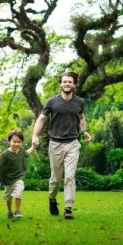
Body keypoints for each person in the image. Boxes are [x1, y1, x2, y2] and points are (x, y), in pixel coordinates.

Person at [31, 71, 92, 220]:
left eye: (70, 82)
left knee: (70, 176)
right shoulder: (52, 101)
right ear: (60, 84)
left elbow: (82, 117)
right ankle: (52, 198)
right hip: (56, 144)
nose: (67, 84)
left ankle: (68, 208)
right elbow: (41, 119)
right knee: (55, 178)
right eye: (64, 82)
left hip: (72, 143)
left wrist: (85, 132)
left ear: (74, 84)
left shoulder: (79, 102)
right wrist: (34, 135)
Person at [0, 129, 29, 219]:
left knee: (19, 192)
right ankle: (9, 211)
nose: (17, 144)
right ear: (9, 141)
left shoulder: (21, 150)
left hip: (19, 176)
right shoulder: (5, 154)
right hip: (7, 179)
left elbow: (27, 153)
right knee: (8, 197)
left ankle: (18, 211)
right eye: (14, 142)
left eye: (19, 142)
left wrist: (33, 147)